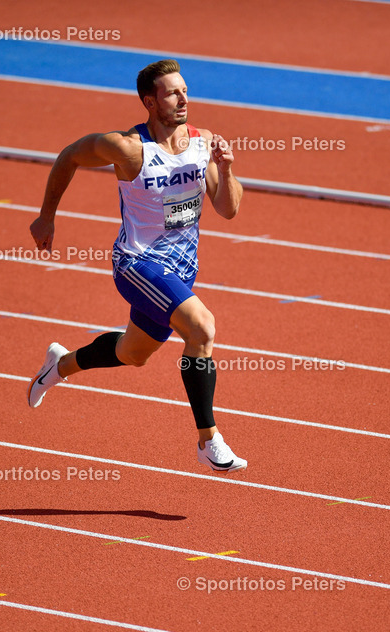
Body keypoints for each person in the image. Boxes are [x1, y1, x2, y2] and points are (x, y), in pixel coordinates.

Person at [27, 59, 247, 472]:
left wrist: (228, 169)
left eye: (184, 90)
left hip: (181, 269)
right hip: (137, 263)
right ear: (150, 101)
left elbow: (228, 210)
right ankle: (208, 440)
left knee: (133, 354)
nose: (183, 98)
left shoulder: (204, 142)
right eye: (171, 93)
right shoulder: (128, 148)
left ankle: (60, 364)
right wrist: (46, 216)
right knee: (202, 327)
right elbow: (69, 155)